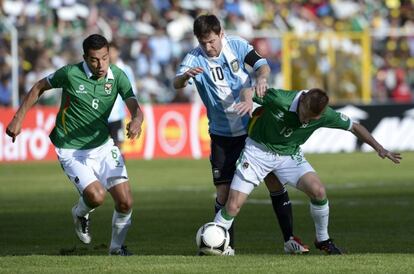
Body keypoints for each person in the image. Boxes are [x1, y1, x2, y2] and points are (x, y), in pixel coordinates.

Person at [173, 14, 308, 255]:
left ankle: (289, 240)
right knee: (224, 193)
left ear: (221, 34)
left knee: (274, 181)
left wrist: (262, 78)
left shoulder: (236, 45)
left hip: (253, 129)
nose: (208, 47)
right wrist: (184, 78)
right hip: (222, 135)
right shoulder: (194, 58)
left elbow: (262, 64)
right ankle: (226, 246)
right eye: (203, 42)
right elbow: (176, 83)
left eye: (212, 41)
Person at [214, 87, 402, 254]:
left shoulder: (325, 114)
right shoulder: (280, 98)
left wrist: (380, 148)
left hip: (288, 155)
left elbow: (355, 127)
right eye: (305, 114)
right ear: (302, 100)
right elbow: (248, 91)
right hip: (258, 151)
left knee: (318, 190)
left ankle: (323, 239)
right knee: (232, 206)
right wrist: (248, 100)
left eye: (312, 119)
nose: (305, 121)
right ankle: (212, 243)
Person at [6, 34, 144, 256]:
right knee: (96, 197)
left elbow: (134, 105)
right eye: (94, 60)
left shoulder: (118, 76)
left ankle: (116, 249)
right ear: (85, 58)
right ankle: (80, 213)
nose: (101, 65)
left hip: (103, 146)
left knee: (126, 202)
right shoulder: (70, 73)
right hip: (71, 149)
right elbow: (39, 86)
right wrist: (18, 118)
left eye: (105, 58)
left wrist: (137, 120)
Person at [108, 41, 137, 150]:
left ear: (118, 52)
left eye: (113, 51)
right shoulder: (102, 70)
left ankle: (118, 166)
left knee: (117, 146)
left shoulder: (125, 70)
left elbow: (132, 92)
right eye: (108, 52)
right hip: (101, 116)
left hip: (117, 115)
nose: (111, 54)